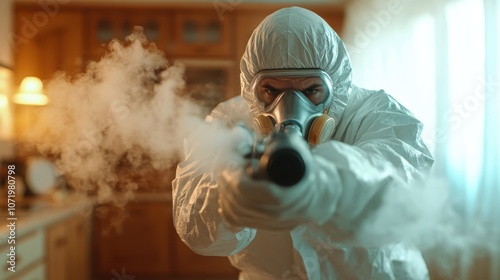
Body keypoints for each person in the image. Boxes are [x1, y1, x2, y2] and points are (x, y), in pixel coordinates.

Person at [172, 6, 434, 280]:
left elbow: (404, 190)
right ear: (251, 87)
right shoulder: (229, 120)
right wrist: (223, 196)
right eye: (271, 90)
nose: (289, 108)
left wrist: (327, 186)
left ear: (337, 84)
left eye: (311, 90)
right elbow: (193, 228)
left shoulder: (377, 113)